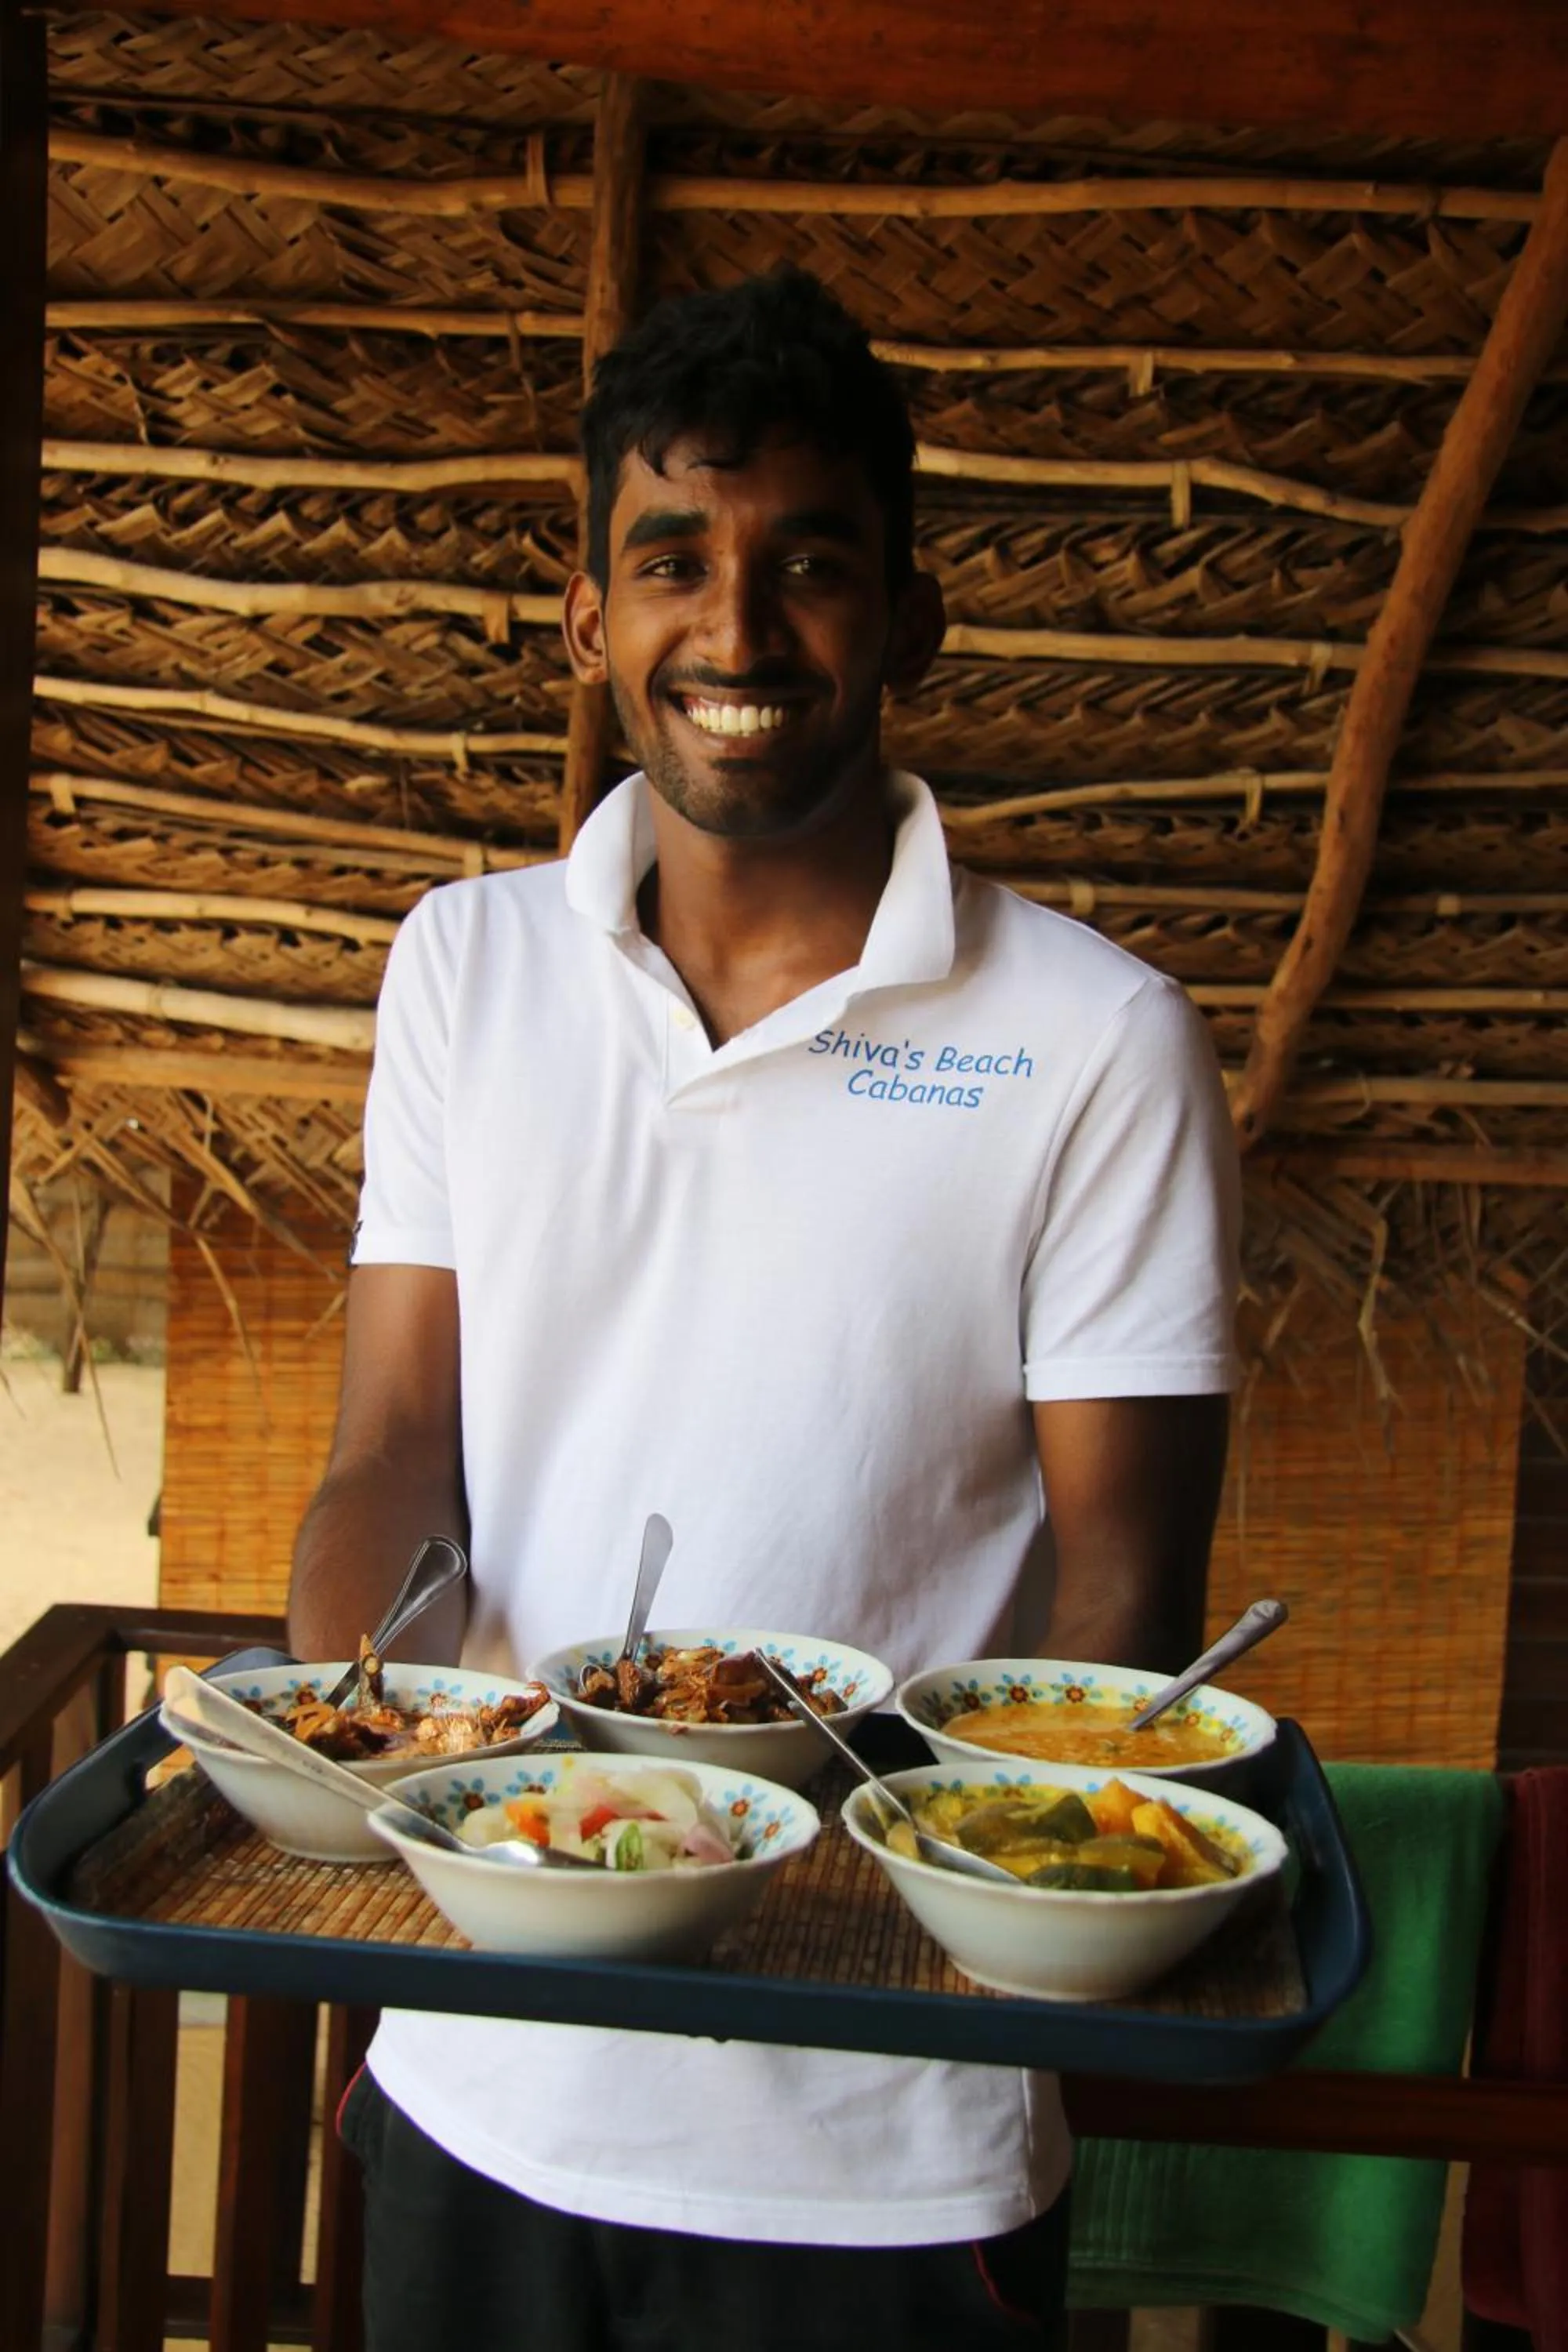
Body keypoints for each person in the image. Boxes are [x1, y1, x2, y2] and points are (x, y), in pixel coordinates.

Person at [292, 265, 1240, 2351]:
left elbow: (1125, 1599)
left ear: (911, 618)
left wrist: (937, 1927)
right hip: (484, 2071)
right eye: (672, 564)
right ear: (588, 618)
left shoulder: (1096, 1040)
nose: (734, 633)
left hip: (884, 2142)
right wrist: (357, 1724)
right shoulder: (465, 971)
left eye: (808, 564)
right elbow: (392, 1452)